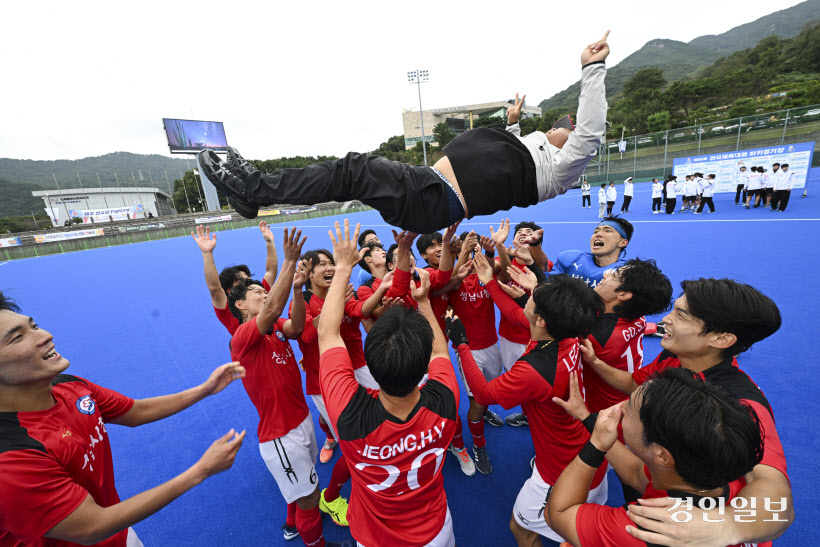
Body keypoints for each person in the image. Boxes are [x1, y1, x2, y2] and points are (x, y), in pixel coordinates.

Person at [197, 33, 612, 233]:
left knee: (352, 171)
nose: (561, 128)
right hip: (427, 187)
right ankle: (251, 194)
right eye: (558, 125)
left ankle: (252, 188)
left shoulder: (559, 172)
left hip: (434, 199)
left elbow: (589, 132)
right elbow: (520, 148)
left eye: (564, 128)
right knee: (348, 174)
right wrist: (513, 122)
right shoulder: (527, 152)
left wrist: (591, 69)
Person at [0, 291, 246, 546]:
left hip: (118, 533)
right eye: (18, 338)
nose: (45, 336)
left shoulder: (69, 387)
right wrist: (200, 471)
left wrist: (204, 389)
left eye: (34, 326)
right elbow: (90, 527)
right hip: (100, 529)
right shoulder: (10, 457)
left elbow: (135, 412)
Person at [577, 278, 793, 545]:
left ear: (722, 338)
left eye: (681, 315)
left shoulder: (741, 404)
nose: (665, 319)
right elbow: (633, 383)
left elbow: (776, 493)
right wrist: (595, 362)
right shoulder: (675, 357)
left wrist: (728, 524)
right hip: (656, 477)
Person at [318, 220, 460, 547]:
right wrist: (423, 302)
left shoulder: (349, 414)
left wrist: (342, 268)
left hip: (376, 539)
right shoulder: (446, 399)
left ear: (372, 361)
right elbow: (440, 349)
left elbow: (328, 334)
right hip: (438, 533)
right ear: (423, 365)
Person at [459, 257, 608, 545]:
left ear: (541, 320)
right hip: (588, 453)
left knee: (522, 529)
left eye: (533, 297)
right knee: (579, 529)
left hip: (562, 468)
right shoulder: (567, 335)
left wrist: (462, 344)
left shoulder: (532, 371)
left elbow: (483, 394)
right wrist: (496, 283)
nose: (527, 294)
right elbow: (518, 315)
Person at [548, 368, 766, 547]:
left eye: (630, 406)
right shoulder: (723, 470)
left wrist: (595, 445)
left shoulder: (641, 531)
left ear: (662, 456)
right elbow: (636, 472)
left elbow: (558, 513)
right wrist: (586, 417)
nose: (620, 407)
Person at [227, 229, 344, 547]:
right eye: (256, 293)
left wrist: (296, 291)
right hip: (281, 436)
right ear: (241, 305)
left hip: (301, 421)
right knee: (308, 500)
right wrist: (290, 261)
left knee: (309, 488)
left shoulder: (275, 328)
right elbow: (271, 312)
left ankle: (300, 524)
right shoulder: (242, 338)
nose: (263, 294)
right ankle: (315, 541)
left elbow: (294, 326)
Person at [192, 222, 278, 335]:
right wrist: (207, 253)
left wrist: (269, 242)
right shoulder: (229, 312)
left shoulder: (260, 294)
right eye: (243, 282)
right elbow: (215, 288)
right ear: (229, 290)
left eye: (249, 280)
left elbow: (271, 271)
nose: (249, 284)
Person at [549, 215, 633, 288]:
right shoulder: (570, 259)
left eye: (608, 231)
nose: (598, 234)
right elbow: (547, 287)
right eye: (596, 231)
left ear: (622, 242)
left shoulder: (627, 273)